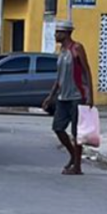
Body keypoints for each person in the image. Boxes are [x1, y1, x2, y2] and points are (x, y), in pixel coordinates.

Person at [42, 19, 94, 175]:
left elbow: (86, 71)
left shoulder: (77, 48)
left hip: (77, 95)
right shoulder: (62, 51)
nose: (55, 35)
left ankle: (77, 166)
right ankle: (73, 155)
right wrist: (50, 96)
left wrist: (90, 96)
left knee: (77, 132)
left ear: (66, 33)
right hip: (62, 97)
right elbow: (59, 77)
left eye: (58, 32)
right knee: (58, 128)